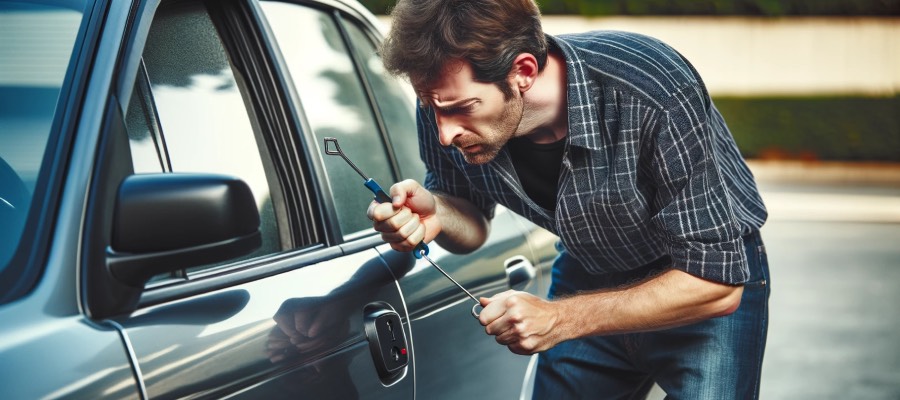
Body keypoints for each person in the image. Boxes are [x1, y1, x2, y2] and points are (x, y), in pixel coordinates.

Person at [368, 0, 771, 398]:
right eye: (431, 108)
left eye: (462, 109)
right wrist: (437, 212)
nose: (444, 134)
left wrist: (560, 319)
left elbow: (718, 282)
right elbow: (471, 224)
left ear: (523, 71)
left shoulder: (651, 86)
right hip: (588, 267)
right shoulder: (446, 104)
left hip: (695, 280)